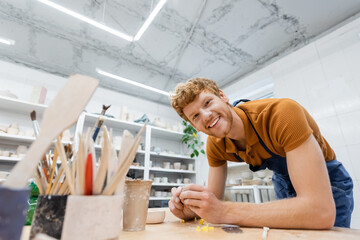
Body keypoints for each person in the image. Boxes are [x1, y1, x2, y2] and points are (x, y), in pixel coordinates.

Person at [169, 77, 353, 229]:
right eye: (195, 116)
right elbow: (214, 199)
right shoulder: (215, 145)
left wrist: (224, 211)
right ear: (195, 127)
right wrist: (192, 210)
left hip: (328, 181)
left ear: (223, 96)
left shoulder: (282, 114)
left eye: (208, 103)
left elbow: (319, 211)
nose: (206, 115)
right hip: (282, 180)